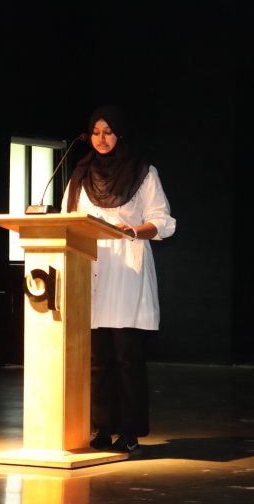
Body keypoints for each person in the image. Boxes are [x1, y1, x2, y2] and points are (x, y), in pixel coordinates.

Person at [61, 104, 176, 453]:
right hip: (92, 267)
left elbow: (163, 221)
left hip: (127, 268)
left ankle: (130, 430)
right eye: (96, 133)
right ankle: (102, 428)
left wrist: (134, 230)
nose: (101, 139)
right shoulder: (80, 173)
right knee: (98, 359)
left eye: (108, 132)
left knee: (127, 356)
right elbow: (67, 219)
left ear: (120, 134)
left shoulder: (143, 172)